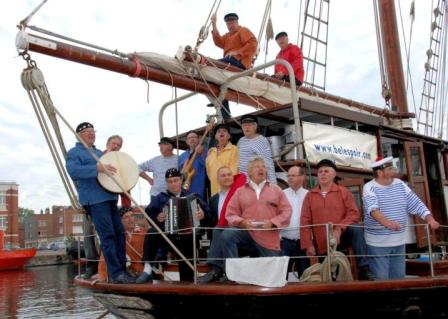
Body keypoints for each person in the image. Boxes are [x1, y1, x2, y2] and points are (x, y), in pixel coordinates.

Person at [198, 156, 291, 283]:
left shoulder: (277, 190)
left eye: (263, 166)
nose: (261, 168)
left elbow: (287, 211)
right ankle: (232, 274)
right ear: (249, 172)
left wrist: (273, 223)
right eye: (257, 166)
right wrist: (242, 222)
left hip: (268, 238)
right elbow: (230, 214)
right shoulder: (240, 191)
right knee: (226, 233)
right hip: (247, 234)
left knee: (275, 274)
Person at [66, 122, 134, 284]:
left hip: (110, 198)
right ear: (79, 135)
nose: (91, 134)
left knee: (119, 234)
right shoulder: (75, 153)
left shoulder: (100, 153)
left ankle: (123, 271)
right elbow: (73, 171)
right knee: (108, 236)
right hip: (95, 200)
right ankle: (116, 274)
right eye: (87, 132)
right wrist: (97, 168)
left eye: (93, 131)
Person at [362, 156, 440, 280]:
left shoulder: (400, 184)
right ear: (379, 172)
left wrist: (429, 218)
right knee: (381, 280)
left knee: (398, 279)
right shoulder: (369, 187)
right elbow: (373, 210)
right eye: (389, 168)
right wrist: (388, 223)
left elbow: (416, 203)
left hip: (399, 241)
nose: (394, 170)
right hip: (378, 243)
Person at [300, 158, 373, 280]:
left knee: (356, 229)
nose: (322, 173)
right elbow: (305, 221)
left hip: (342, 237)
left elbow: (354, 213)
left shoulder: (343, 192)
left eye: (326, 171)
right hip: (322, 241)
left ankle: (363, 269)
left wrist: (339, 229)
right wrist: (307, 244)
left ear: (334, 174)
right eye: (320, 171)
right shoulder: (310, 195)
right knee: (328, 278)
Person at [136, 168, 211, 283]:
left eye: (175, 180)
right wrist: (158, 217)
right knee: (152, 232)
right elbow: (149, 213)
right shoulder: (160, 197)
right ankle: (147, 270)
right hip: (168, 238)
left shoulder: (193, 196)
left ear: (181, 180)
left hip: (187, 238)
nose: (173, 184)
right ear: (167, 183)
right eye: (170, 181)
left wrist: (202, 214)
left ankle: (187, 291)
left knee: (187, 278)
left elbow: (208, 212)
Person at [210, 12, 257, 119]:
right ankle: (225, 115)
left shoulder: (243, 30)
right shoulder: (227, 36)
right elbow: (218, 42)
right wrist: (214, 24)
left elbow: (253, 44)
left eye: (231, 23)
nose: (230, 26)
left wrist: (238, 52)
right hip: (228, 64)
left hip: (239, 63)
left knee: (211, 64)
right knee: (218, 84)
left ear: (236, 22)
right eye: (228, 24)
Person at [98, 210, 147, 281]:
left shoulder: (144, 232)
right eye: (126, 217)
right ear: (119, 221)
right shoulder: (115, 237)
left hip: (142, 273)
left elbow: (145, 217)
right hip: (124, 275)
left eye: (132, 216)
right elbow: (105, 257)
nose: (130, 219)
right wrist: (103, 276)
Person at [281, 166, 309, 277]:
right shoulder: (281, 194)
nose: (290, 178)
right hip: (284, 242)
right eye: (288, 176)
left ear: (302, 177)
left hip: (303, 242)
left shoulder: (309, 195)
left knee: (305, 276)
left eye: (293, 175)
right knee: (281, 276)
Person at [237, 114, 277, 184]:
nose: (247, 127)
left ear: (255, 126)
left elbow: (268, 164)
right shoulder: (241, 141)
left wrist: (273, 184)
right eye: (244, 125)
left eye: (249, 125)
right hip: (242, 181)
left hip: (255, 181)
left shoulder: (262, 140)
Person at [206, 124, 239, 196]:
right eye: (219, 131)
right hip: (214, 192)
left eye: (224, 131)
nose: (221, 133)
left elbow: (234, 170)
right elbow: (209, 173)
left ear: (229, 136)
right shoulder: (211, 152)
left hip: (229, 191)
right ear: (215, 136)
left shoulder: (234, 149)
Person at [179, 131, 207, 200]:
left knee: (198, 208)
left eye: (194, 137)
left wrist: (201, 154)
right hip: (184, 190)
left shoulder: (206, 151)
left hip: (200, 189)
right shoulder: (182, 156)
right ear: (186, 141)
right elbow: (179, 173)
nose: (192, 139)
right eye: (189, 138)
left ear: (199, 139)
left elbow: (208, 166)